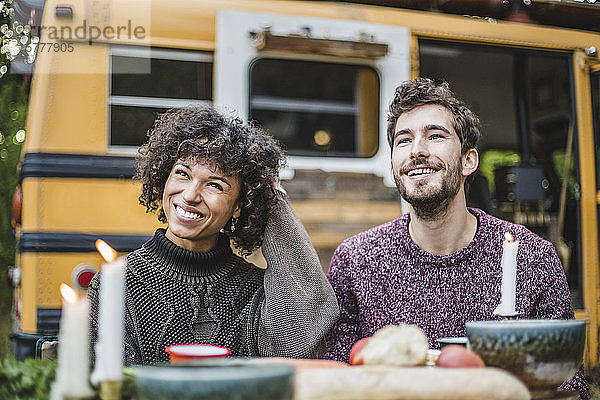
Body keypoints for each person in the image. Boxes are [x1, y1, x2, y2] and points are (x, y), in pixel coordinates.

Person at [324, 78, 589, 398]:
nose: (417, 150)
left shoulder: (533, 258)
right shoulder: (355, 261)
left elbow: (568, 384)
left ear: (468, 160)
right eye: (403, 140)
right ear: (393, 164)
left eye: (435, 136)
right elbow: (335, 378)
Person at [88, 106, 339, 365]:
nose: (190, 195)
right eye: (182, 174)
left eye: (215, 185)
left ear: (239, 205)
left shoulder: (255, 290)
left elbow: (298, 344)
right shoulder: (117, 283)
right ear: (164, 177)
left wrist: (271, 198)